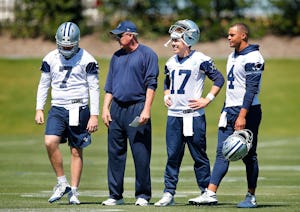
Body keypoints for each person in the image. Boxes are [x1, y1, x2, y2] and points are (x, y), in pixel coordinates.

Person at [188, 23, 264, 208]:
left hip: (247, 111)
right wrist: (225, 110)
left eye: (232, 35)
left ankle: (250, 197)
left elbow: (251, 90)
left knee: (249, 156)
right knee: (222, 153)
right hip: (229, 109)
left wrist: (242, 115)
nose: (228, 38)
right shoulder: (232, 56)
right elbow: (232, 90)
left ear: (243, 36)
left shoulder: (254, 57)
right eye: (228, 35)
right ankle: (210, 193)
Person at [154, 19, 224, 207]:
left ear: (189, 39)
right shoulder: (170, 62)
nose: (173, 44)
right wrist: (166, 95)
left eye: (177, 40)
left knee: (199, 156)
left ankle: (206, 192)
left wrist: (207, 99)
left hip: (193, 117)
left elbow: (219, 79)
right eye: (173, 40)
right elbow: (168, 81)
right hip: (174, 116)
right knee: (173, 156)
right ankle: (169, 193)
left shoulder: (200, 59)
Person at [35, 21, 100, 205]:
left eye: (69, 46)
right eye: (63, 45)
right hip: (57, 107)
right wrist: (39, 108)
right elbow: (44, 84)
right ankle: (62, 183)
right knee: (50, 141)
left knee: (76, 151)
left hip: (79, 107)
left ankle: (74, 192)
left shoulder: (87, 59)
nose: (65, 48)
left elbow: (94, 88)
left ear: (77, 42)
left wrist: (94, 114)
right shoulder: (50, 58)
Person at [101, 20, 159, 206]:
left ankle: (143, 195)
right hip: (117, 110)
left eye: (120, 35)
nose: (118, 38)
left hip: (137, 107)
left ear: (131, 35)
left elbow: (151, 83)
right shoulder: (116, 56)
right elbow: (109, 85)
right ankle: (115, 195)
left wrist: (146, 109)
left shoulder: (147, 54)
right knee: (115, 153)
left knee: (141, 153)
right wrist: (105, 108)